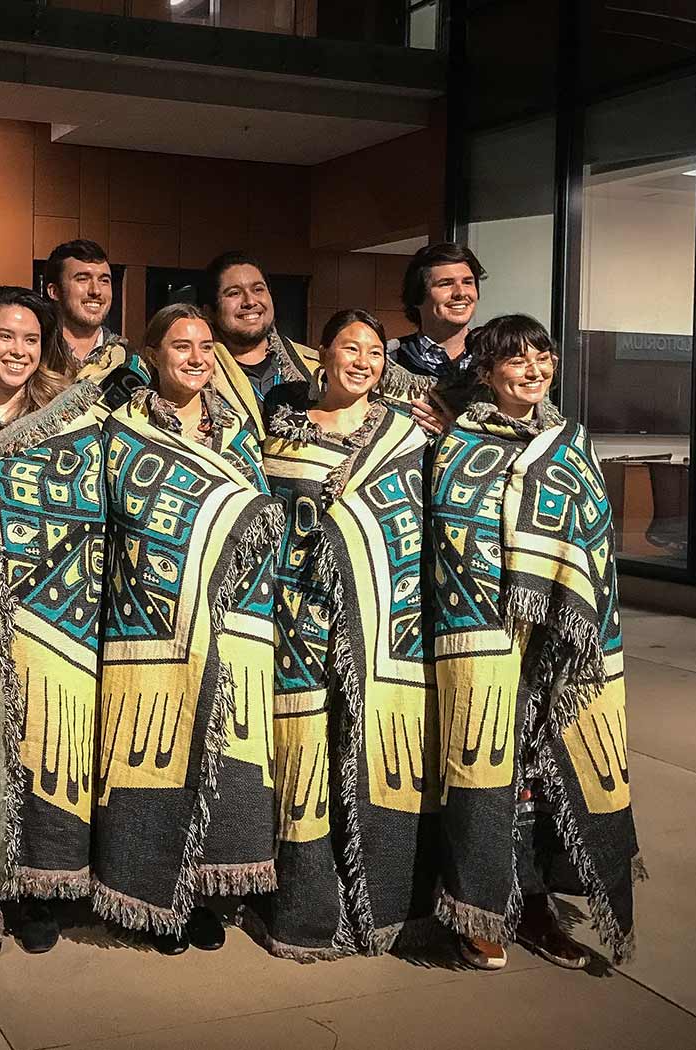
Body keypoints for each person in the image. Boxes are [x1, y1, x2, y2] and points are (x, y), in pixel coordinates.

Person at [429, 314, 642, 973]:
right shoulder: (460, 442)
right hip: (484, 632)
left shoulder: (568, 440)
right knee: (485, 773)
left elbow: (597, 531)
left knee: (545, 780)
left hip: (558, 641)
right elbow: (450, 531)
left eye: (543, 357)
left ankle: (540, 906)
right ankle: (479, 911)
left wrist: (562, 605)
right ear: (488, 370)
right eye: (517, 359)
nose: (533, 369)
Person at [93, 302, 283, 955]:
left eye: (206, 346)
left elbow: (266, 524)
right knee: (156, 764)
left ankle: (204, 895)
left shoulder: (240, 434)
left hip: (235, 629)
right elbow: (121, 518)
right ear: (151, 356)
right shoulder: (121, 431)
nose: (198, 357)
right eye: (182, 345)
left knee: (222, 769)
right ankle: (148, 895)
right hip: (155, 628)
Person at [253, 309, 438, 960]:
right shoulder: (281, 429)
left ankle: (384, 903)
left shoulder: (405, 435)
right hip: (296, 619)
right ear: (321, 354)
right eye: (348, 347)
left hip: (383, 622)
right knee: (304, 756)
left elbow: (426, 525)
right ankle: (306, 907)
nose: (361, 360)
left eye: (373, 351)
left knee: (372, 752)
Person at [0, 286, 107, 956]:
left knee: (40, 757)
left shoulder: (69, 422)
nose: (17, 350)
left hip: (47, 619)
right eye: (5, 336)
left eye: (32, 340)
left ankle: (34, 889)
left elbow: (91, 518)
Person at [201, 251, 319, 436]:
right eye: (234, 293)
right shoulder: (196, 374)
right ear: (209, 312)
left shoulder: (315, 366)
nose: (249, 301)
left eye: (258, 289)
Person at [384, 242, 487, 434]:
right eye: (446, 284)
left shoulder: (497, 360)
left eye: (468, 282)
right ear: (417, 297)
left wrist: (455, 432)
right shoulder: (387, 363)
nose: (460, 293)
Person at [44, 238, 148, 410]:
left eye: (104, 280)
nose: (96, 291)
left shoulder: (130, 363)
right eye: (83, 279)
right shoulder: (34, 355)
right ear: (54, 291)